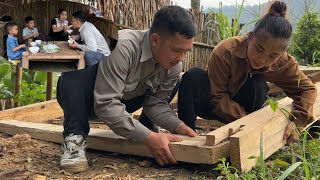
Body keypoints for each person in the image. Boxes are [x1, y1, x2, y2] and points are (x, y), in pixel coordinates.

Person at [57, 6, 197, 173]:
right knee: (74, 73)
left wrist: (180, 127)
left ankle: (147, 128)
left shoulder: (174, 66)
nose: (181, 58)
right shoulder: (123, 47)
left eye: (186, 52)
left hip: (125, 100)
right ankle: (74, 138)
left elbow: (156, 104)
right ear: (155, 40)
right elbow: (106, 103)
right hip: (87, 99)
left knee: (174, 81)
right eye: (176, 50)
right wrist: (149, 138)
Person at [178, 1, 317, 143]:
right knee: (192, 76)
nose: (262, 59)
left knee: (258, 85)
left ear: (281, 54)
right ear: (250, 37)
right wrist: (246, 120)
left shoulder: (284, 63)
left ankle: (244, 138)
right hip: (212, 104)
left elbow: (308, 89)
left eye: (273, 56)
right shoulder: (225, 51)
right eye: (259, 49)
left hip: (246, 108)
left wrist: (296, 122)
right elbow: (217, 96)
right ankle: (187, 136)